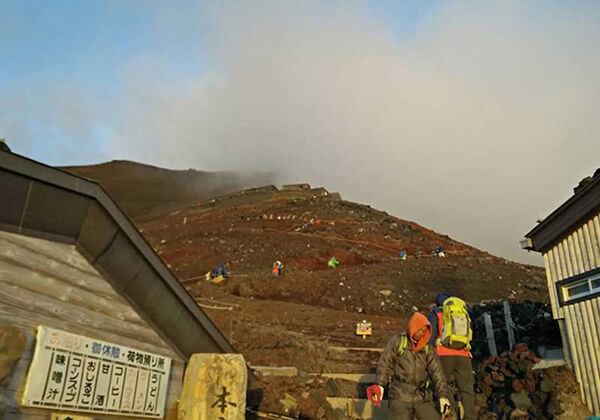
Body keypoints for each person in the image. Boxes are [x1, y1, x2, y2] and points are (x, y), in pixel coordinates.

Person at [368, 312, 451, 420]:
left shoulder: (427, 348)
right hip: (399, 395)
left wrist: (443, 396)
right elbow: (385, 363)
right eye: (420, 329)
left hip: (421, 397)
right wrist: (379, 385)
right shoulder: (398, 341)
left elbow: (437, 372)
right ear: (414, 327)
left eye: (424, 331)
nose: (422, 333)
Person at [428, 293, 475, 420]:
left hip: (444, 354)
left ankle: (450, 414)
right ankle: (470, 417)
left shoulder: (437, 312)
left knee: (443, 385)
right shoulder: (463, 312)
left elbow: (430, 335)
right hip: (464, 355)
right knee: (467, 389)